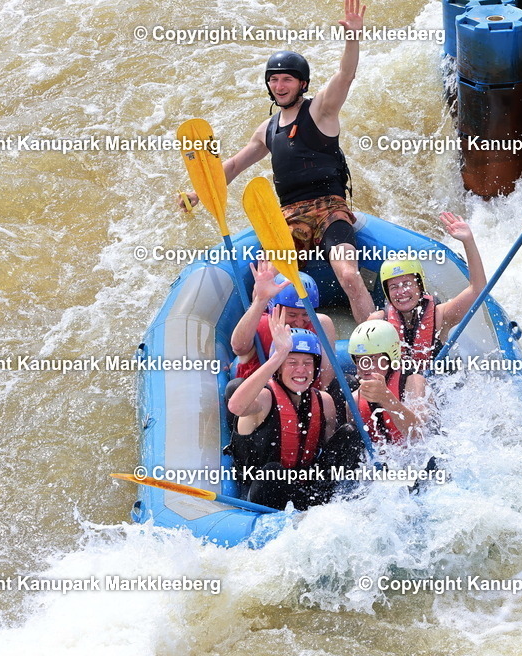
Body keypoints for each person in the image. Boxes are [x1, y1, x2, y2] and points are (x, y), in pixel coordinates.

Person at [180, 0, 375, 323]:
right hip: (286, 219)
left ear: (302, 84)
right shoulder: (267, 130)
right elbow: (232, 166)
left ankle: (374, 344)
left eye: (287, 80)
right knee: (270, 283)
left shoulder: (320, 111)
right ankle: (280, 353)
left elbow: (345, 75)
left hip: (330, 210)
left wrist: (352, 37)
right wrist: (198, 193)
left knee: (350, 275)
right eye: (274, 80)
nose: (279, 86)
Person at [227, 311, 361, 510]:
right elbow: (235, 406)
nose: (301, 370)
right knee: (273, 473)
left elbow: (328, 455)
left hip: (304, 489)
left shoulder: (324, 402)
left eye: (307, 363)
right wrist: (279, 355)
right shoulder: (264, 398)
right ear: (279, 368)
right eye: (292, 363)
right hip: (262, 489)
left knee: (351, 434)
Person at [372, 212, 487, 368]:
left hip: (437, 387)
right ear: (387, 293)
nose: (401, 292)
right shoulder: (378, 321)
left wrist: (468, 241)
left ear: (420, 286)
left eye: (407, 284)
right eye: (393, 287)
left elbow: (477, 289)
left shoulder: (440, 316)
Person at [230, 260, 336, 389]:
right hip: (262, 399)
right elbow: (238, 347)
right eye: (292, 315)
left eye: (305, 314)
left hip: (305, 396)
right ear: (275, 308)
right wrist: (260, 300)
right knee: (234, 387)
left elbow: (325, 382)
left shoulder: (321, 324)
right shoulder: (261, 323)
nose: (299, 322)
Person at [348, 320, 429, 446]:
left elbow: (419, 435)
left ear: (390, 357)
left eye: (372, 358)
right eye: (359, 359)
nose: (364, 366)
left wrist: (387, 399)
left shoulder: (414, 382)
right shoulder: (354, 400)